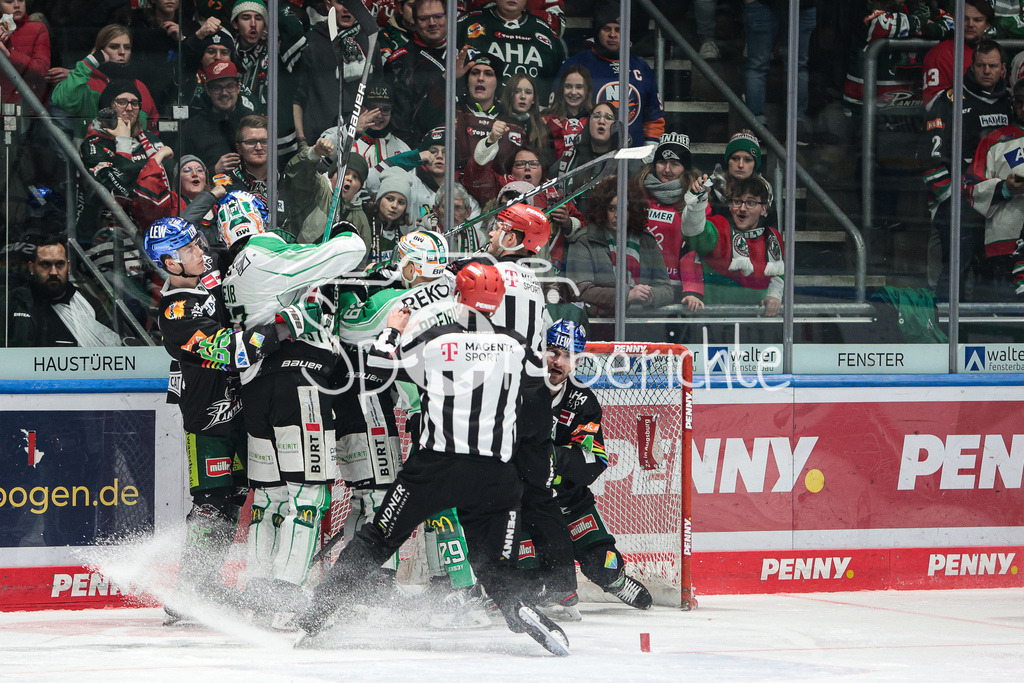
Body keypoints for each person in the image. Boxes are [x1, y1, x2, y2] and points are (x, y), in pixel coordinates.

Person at [295, 261, 571, 657]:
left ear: (458, 296)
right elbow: (541, 387)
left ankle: (318, 613)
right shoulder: (515, 346)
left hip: (435, 467)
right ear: (497, 304)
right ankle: (517, 606)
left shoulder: (436, 340)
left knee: (377, 539)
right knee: (494, 565)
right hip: (496, 473)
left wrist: (393, 327)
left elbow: (379, 367)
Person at [217, 190, 366, 619]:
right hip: (299, 381)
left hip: (257, 389)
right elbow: (350, 251)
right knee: (308, 495)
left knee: (270, 498)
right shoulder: (266, 251)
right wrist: (342, 234)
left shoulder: (230, 275)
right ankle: (285, 592)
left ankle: (259, 591)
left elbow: (295, 298)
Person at [143, 216, 288, 623]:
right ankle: (188, 590)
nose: (200, 251)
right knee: (211, 503)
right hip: (208, 416)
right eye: (189, 249)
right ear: (170, 264)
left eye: (197, 242)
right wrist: (283, 326)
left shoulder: (212, 267)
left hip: (244, 408)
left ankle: (204, 584)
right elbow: (234, 351)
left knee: (236, 497)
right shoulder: (175, 312)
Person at [539, 319, 652, 617]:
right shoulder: (520, 391)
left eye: (567, 355)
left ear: (577, 362)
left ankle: (616, 582)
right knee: (526, 571)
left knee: (604, 565)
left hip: (569, 500)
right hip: (526, 502)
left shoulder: (582, 400)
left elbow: (593, 459)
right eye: (552, 351)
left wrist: (550, 459)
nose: (557, 361)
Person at [924, 38, 1010, 298]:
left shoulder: (1011, 103)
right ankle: (946, 323)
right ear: (971, 67)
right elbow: (931, 159)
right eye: (981, 65)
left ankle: (990, 324)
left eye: (992, 66)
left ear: (1003, 69)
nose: (987, 71)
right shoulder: (949, 101)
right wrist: (952, 200)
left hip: (1002, 201)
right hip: (961, 201)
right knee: (956, 269)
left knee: (996, 273)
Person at [565, 175, 674, 319]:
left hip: (640, 323)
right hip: (599, 323)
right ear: (602, 210)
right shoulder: (585, 240)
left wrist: (648, 294)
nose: (617, 215)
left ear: (633, 210)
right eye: (611, 209)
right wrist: (626, 295)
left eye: (624, 209)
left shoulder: (646, 241)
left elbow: (666, 290)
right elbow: (580, 289)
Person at [555, 3, 664, 146]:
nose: (612, 34)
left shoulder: (641, 67)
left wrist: (650, 149)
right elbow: (556, 112)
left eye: (618, 29)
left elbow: (654, 117)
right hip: (587, 153)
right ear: (597, 31)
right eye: (607, 29)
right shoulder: (576, 64)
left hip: (632, 153)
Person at [679, 174, 785, 316]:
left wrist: (774, 295)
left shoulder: (772, 238)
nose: (742, 208)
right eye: (737, 201)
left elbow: (777, 276)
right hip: (714, 322)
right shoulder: (721, 228)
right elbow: (694, 232)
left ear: (764, 209)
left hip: (754, 323)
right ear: (730, 206)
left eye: (751, 203)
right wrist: (697, 203)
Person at [964, 78, 1024, 300]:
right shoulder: (994, 140)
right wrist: (1005, 189)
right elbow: (971, 187)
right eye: (1020, 102)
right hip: (1003, 242)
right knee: (1006, 316)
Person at [4, 234, 121, 347]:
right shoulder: (13, 302)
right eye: (45, 264)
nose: (53, 272)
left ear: (68, 267)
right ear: (32, 267)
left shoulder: (88, 304)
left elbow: (109, 352)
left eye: (59, 264)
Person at [79, 79, 165, 231]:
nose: (129, 108)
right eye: (122, 102)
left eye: (135, 103)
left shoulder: (150, 138)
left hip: (151, 221)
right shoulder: (94, 143)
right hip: (107, 226)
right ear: (108, 108)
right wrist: (123, 141)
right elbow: (116, 188)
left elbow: (166, 183)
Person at [385, 0, 473, 147]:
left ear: (449, 16)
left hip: (465, 145)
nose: (432, 23)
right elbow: (399, 123)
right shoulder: (398, 62)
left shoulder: (466, 54)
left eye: (438, 16)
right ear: (414, 21)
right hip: (422, 150)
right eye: (424, 18)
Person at [293, 0, 381, 146]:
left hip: (360, 139)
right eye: (341, 2)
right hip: (318, 139)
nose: (347, 8)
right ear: (329, 5)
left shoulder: (370, 42)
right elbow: (297, 97)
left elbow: (377, 91)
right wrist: (301, 141)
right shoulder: (310, 42)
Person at [51, 24, 160, 139]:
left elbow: (152, 129)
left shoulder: (140, 87)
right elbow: (64, 101)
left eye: (127, 47)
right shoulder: (86, 83)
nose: (122, 52)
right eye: (114, 47)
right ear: (100, 51)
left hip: (135, 149)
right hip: (92, 148)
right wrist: (88, 64)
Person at [637, 132, 705, 303]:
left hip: (675, 289)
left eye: (675, 164)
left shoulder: (694, 200)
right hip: (638, 285)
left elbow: (693, 249)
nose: (667, 170)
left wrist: (692, 290)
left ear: (685, 168)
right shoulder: (636, 194)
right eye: (662, 162)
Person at [457, 0, 564, 103]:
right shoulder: (468, 22)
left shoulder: (544, 30)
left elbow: (559, 80)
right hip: (476, 110)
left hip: (532, 112)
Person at [742, 0, 816, 142]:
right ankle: (796, 123)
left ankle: (757, 123)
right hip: (797, 5)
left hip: (787, 5)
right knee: (797, 66)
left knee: (757, 66)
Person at [284, 134, 370, 244]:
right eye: (345, 173)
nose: (349, 178)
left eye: (356, 177)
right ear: (332, 175)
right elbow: (296, 174)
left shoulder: (360, 217)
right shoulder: (318, 188)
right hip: (298, 251)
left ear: (359, 188)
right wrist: (314, 153)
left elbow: (363, 250)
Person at [181, 60, 259, 174]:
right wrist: (213, 170)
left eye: (230, 86)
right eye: (217, 88)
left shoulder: (253, 122)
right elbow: (183, 172)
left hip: (250, 184)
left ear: (238, 87)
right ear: (208, 90)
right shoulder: (192, 127)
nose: (224, 93)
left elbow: (268, 163)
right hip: (209, 184)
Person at [454, 52, 525, 172]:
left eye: (488, 74)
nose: (480, 78)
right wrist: (448, 79)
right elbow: (426, 116)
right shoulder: (451, 111)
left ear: (498, 82)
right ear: (467, 81)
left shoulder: (514, 125)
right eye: (475, 73)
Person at [922, 0, 993, 110]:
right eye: (965, 19)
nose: (970, 24)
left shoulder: (994, 53)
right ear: (955, 20)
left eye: (977, 20)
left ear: (987, 25)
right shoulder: (940, 53)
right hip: (956, 119)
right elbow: (931, 103)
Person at [708, 130, 774, 222]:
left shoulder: (765, 191)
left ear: (755, 164)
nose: (740, 165)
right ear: (728, 161)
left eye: (747, 160)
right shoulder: (709, 187)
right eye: (735, 159)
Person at [0, 0, 50, 105]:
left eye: (21, 0)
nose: (17, 5)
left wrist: (8, 54)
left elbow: (42, 70)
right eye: (9, 2)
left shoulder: (37, 29)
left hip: (31, 106)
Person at [501, 73, 554, 169]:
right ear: (509, 95)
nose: (523, 96)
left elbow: (547, 167)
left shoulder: (543, 129)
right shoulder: (498, 123)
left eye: (528, 92)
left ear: (533, 99)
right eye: (517, 91)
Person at [542, 65, 592, 166]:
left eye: (579, 87)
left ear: (587, 90)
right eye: (568, 86)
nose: (573, 92)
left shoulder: (594, 119)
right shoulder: (547, 118)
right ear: (562, 89)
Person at [363, 166, 413, 264]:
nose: (394, 206)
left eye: (401, 202)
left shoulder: (401, 237)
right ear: (379, 199)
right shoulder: (364, 225)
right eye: (390, 199)